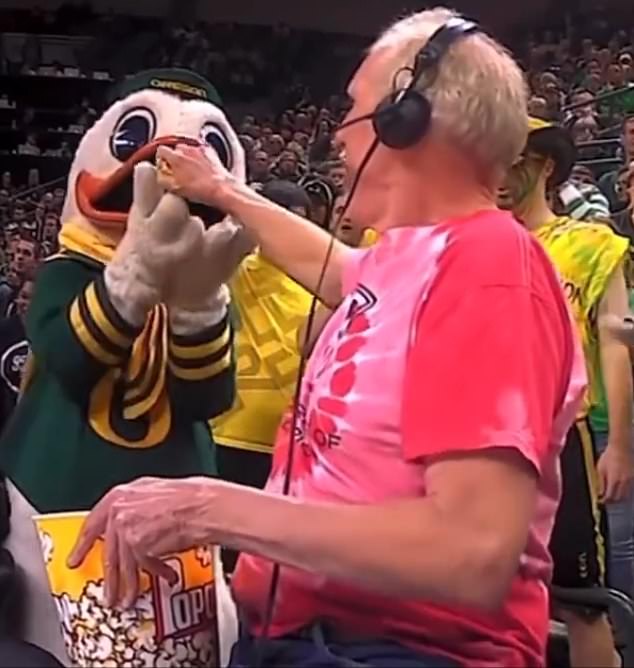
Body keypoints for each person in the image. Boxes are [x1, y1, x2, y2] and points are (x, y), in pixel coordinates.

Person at [70, 9, 585, 668]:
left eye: (354, 109)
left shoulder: (488, 269)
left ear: (407, 120)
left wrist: (210, 507)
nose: (338, 136)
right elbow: (340, 273)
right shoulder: (412, 260)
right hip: (321, 640)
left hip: (395, 652)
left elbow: (471, 550)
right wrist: (225, 191)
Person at [499, 117, 633, 666]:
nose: (499, 177)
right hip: (486, 439)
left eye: (513, 163)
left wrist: (619, 445)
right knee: (487, 594)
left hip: (562, 438)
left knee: (582, 602)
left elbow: (614, 343)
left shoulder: (591, 243)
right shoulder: (479, 240)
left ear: (545, 166)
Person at [213, 180, 313, 494]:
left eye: (296, 220)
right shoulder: (234, 268)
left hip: (290, 444)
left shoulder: (322, 278)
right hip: (227, 435)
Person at [0, 277, 33, 434]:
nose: (24, 303)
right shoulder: (4, 332)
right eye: (23, 296)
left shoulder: (56, 337)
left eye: (31, 298)